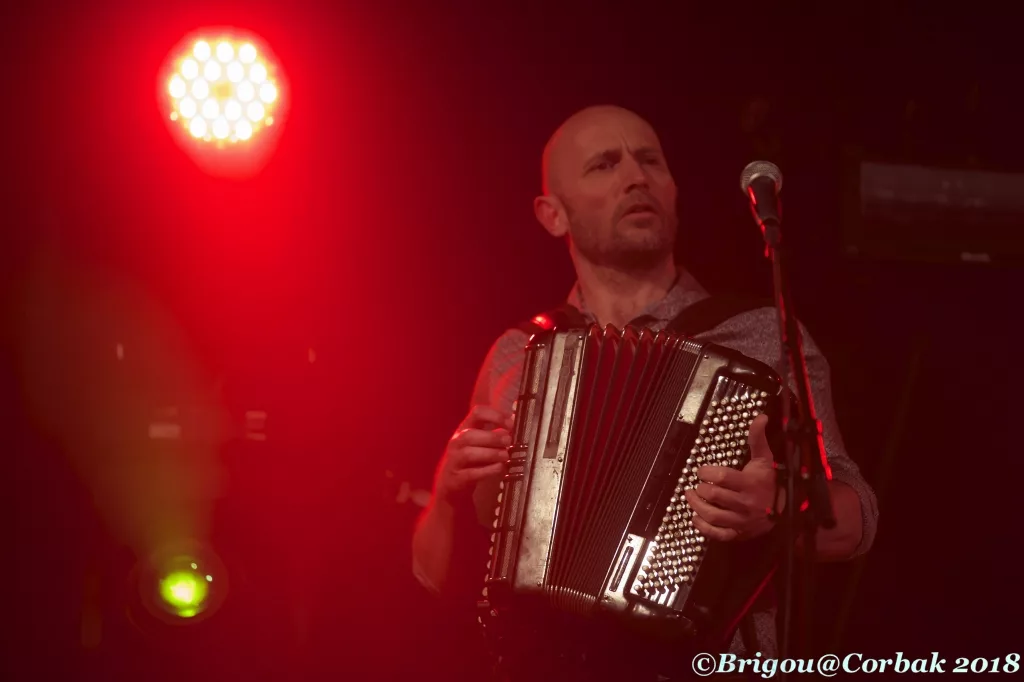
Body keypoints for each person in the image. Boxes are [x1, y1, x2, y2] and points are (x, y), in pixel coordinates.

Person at [411, 104, 879, 680]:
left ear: (675, 190)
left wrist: (778, 509)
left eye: (651, 161)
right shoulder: (518, 352)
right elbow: (434, 579)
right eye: (605, 165)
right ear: (552, 214)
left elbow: (857, 518)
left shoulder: (760, 334)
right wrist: (446, 497)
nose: (636, 177)